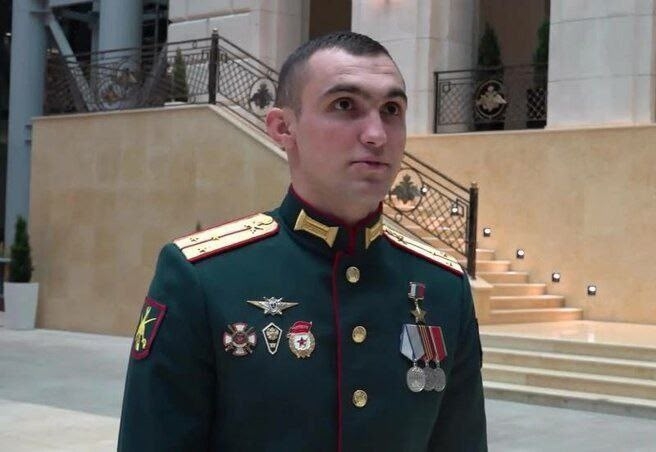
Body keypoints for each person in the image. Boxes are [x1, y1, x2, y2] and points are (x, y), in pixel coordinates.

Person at [118, 31, 486, 451]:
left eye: (391, 110)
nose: (376, 134)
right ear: (283, 128)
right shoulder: (203, 279)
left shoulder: (442, 286)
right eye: (344, 105)